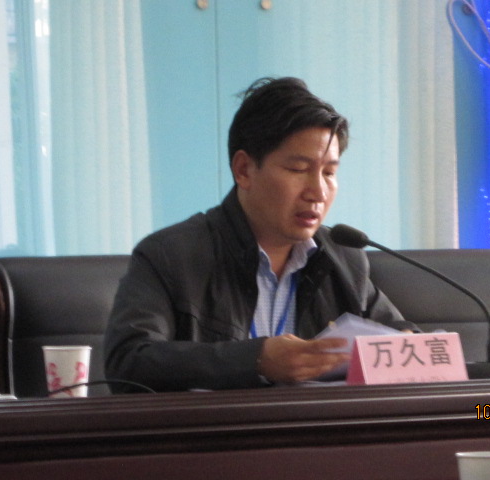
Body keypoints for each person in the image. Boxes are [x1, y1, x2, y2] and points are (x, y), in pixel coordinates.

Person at [104, 77, 417, 392]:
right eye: (298, 169)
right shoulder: (170, 255)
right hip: (217, 425)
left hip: (320, 424)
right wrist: (255, 360)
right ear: (244, 170)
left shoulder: (343, 259)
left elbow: (403, 336)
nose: (318, 192)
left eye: (329, 173)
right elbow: (129, 362)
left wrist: (407, 346)